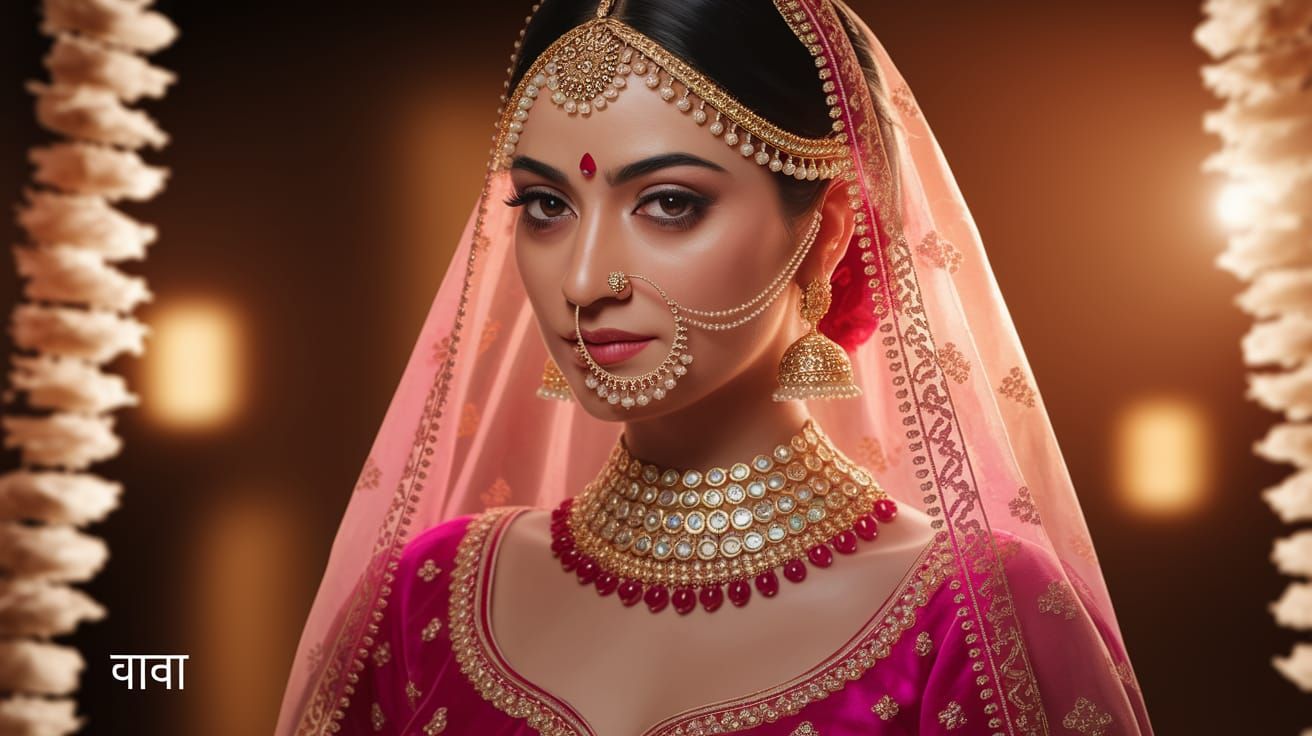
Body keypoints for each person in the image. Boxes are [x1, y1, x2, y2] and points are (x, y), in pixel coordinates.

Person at [276, 1, 1156, 734]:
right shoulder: (429, 601)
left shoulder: (975, 616)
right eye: (546, 205)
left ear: (829, 229)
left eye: (668, 203)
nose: (582, 282)